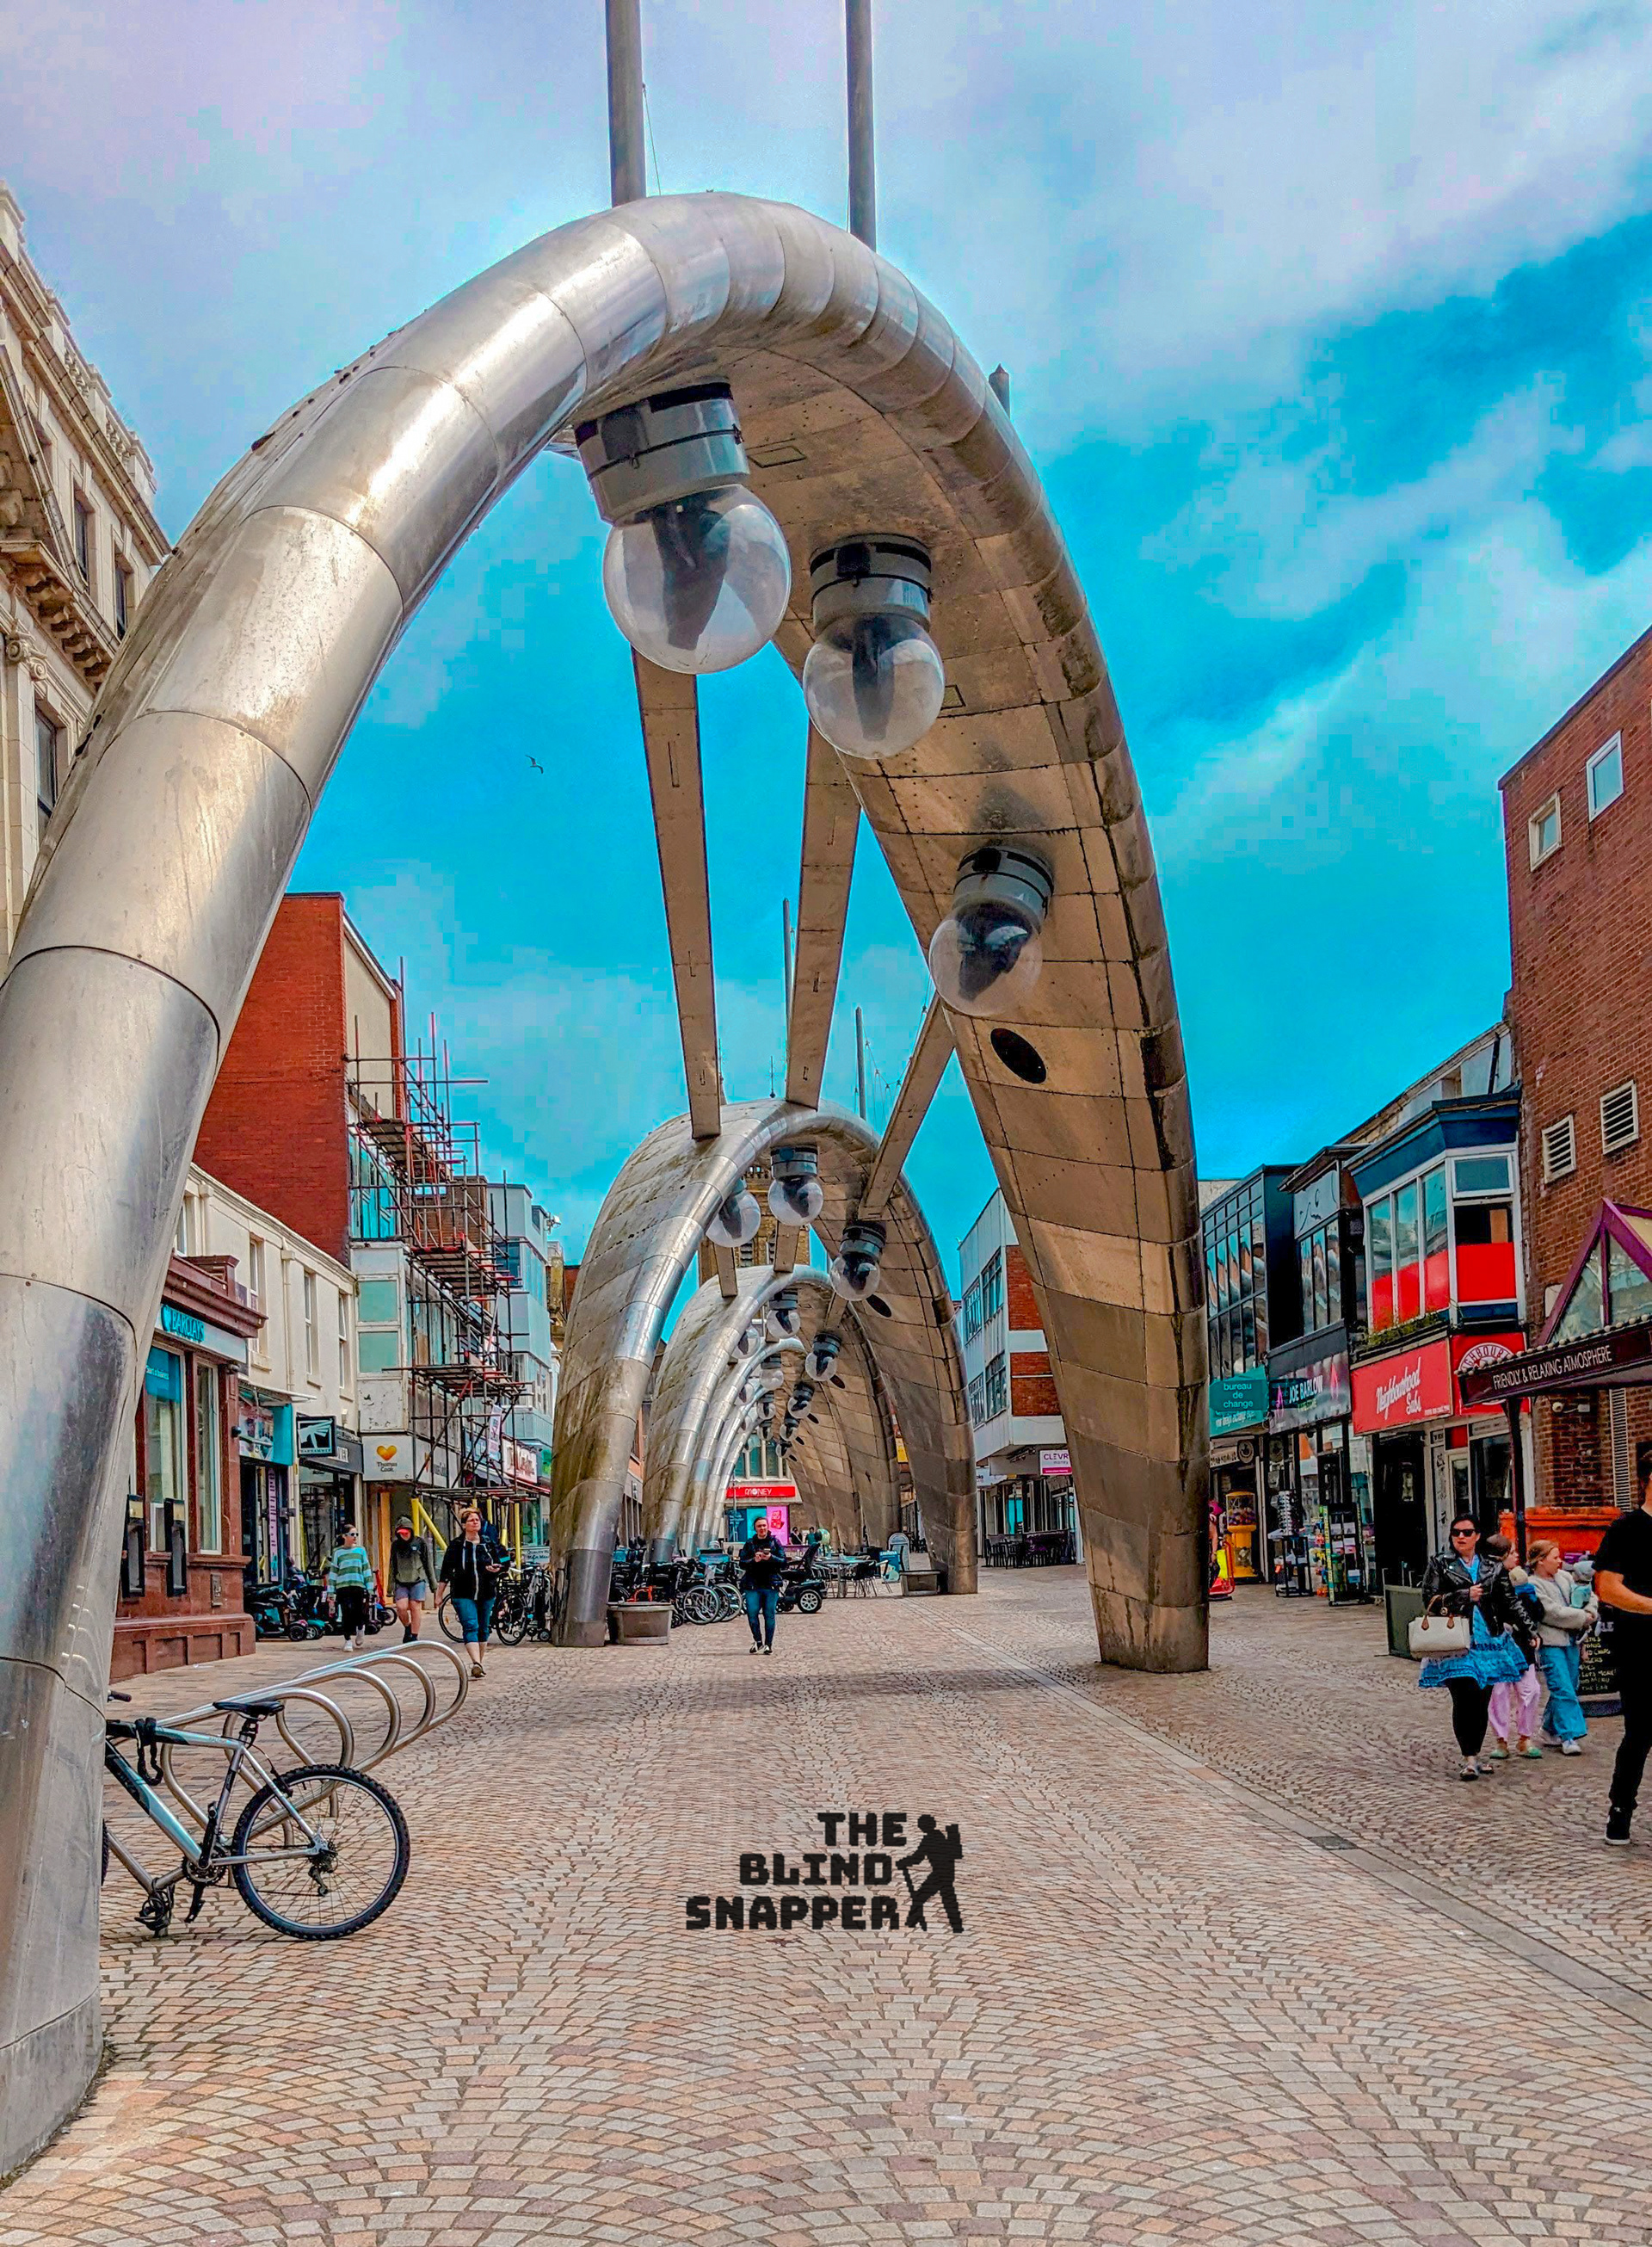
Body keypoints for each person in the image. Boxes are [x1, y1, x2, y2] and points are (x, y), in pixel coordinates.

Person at [1418, 1510, 1535, 1781]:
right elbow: (1430, 1599)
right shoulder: (1440, 1563)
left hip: (1489, 1641)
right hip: (1456, 1639)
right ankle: (1469, 1758)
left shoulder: (1492, 1567)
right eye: (1456, 1532)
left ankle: (1476, 1754)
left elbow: (1510, 1601)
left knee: (1482, 1701)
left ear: (1477, 1536)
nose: (1461, 1537)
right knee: (1464, 1696)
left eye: (1467, 1532)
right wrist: (1463, 1595)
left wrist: (1530, 1628)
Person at [1593, 1466, 1652, 1844]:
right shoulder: (1626, 1530)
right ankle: (1621, 1811)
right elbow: (1607, 1588)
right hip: (1643, 1649)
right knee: (1641, 1733)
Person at [1525, 1538, 1598, 1755]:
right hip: (1550, 1643)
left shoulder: (1565, 1577)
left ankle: (1548, 1728)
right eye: (1555, 1557)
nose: (1560, 1561)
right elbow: (1551, 1613)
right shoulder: (1533, 1585)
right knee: (1562, 1687)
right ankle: (1569, 1736)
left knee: (1569, 1686)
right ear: (1540, 1561)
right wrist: (1582, 1617)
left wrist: (1590, 1612)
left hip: (1572, 1641)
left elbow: (1588, 1595)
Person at [1482, 1534, 1544, 1759]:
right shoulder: (1487, 1579)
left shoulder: (1521, 1582)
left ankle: (1525, 1738)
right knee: (1498, 1693)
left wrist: (1530, 1628)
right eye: (1513, 1553)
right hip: (1496, 1644)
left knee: (1531, 1690)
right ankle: (1501, 1740)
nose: (1517, 1557)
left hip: (1520, 1645)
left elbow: (1534, 1612)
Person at [437, 1508, 509, 1679]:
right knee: (471, 1625)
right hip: (463, 1593)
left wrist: (498, 1568)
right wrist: (439, 1594)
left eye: (477, 1520)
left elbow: (505, 1559)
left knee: (484, 1628)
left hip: (486, 1591)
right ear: (464, 1525)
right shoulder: (456, 1546)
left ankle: (479, 1663)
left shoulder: (488, 1543)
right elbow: (446, 1571)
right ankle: (476, 1662)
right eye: (471, 1520)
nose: (475, 1522)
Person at [897, 1816, 965, 1931]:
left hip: (939, 1874)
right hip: (947, 1874)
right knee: (949, 1899)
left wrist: (903, 1862)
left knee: (920, 1897)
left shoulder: (929, 1840)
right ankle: (957, 1925)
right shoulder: (941, 1837)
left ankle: (911, 1922)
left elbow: (917, 1858)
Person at [738, 1517, 789, 1655]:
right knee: (752, 1614)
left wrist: (771, 1557)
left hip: (771, 1584)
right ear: (755, 1529)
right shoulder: (749, 1544)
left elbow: (784, 1562)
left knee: (769, 1614)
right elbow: (742, 1563)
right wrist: (754, 1560)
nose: (762, 1528)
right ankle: (758, 1640)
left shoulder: (775, 1542)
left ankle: (768, 1644)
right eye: (759, 1526)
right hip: (752, 1584)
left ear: (768, 1527)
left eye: (764, 1526)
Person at [386, 1515, 438, 1642]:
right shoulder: (396, 1545)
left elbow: (428, 1564)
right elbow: (392, 1565)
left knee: (415, 1607)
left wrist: (433, 1585)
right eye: (401, 1533)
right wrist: (390, 1586)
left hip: (418, 1579)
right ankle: (407, 1627)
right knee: (401, 1607)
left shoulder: (420, 1543)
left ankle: (414, 1636)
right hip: (401, 1580)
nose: (404, 1535)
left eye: (406, 1532)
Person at [326, 1523, 374, 1652]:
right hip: (343, 1587)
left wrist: (370, 1588)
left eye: (356, 1534)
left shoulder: (361, 1550)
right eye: (352, 1534)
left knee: (359, 1612)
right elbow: (334, 1572)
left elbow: (366, 1569)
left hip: (358, 1585)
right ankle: (347, 1640)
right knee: (346, 1612)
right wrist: (330, 1591)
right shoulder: (337, 1552)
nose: (355, 1537)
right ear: (344, 1536)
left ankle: (360, 1628)